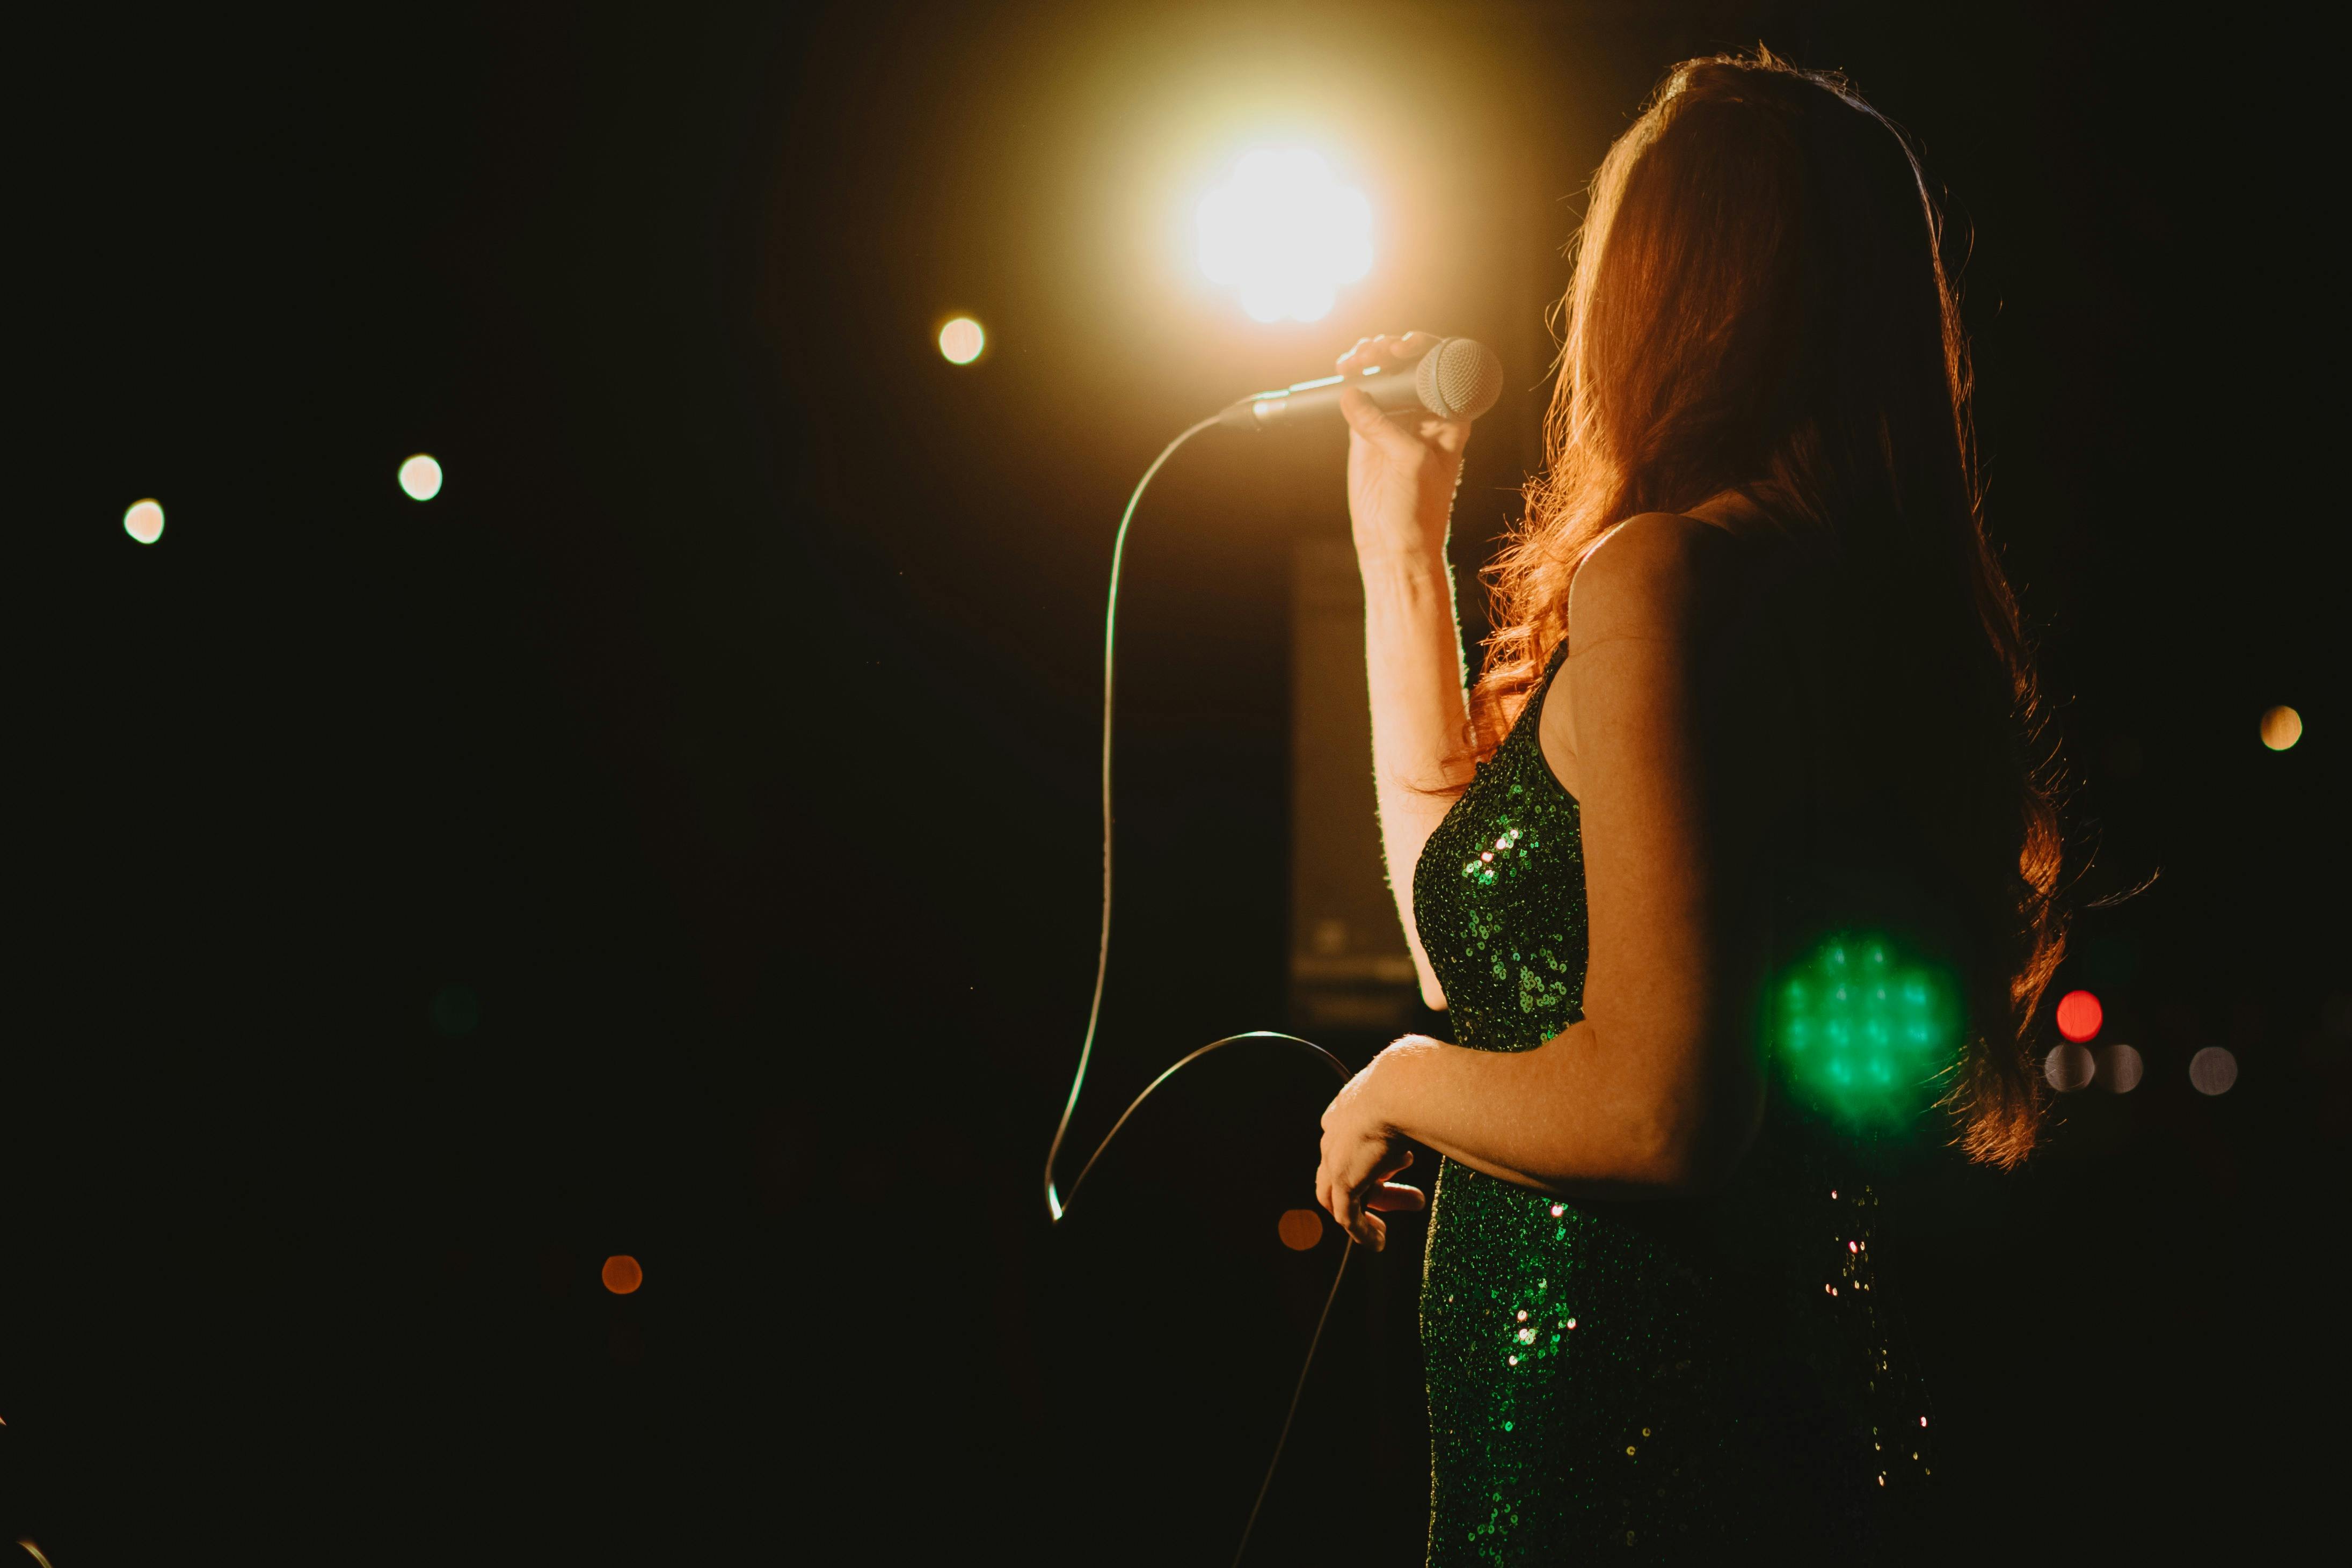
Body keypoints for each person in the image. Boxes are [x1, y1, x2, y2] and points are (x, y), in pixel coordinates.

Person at [1311, 49, 2066, 1557]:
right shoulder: (1855, 607)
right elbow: (1508, 986)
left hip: (1624, 1453)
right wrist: (1402, 553)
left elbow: (1657, 1104)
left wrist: (1394, 1076)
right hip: (1788, 1428)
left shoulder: (1665, 578)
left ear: (1661, 289)